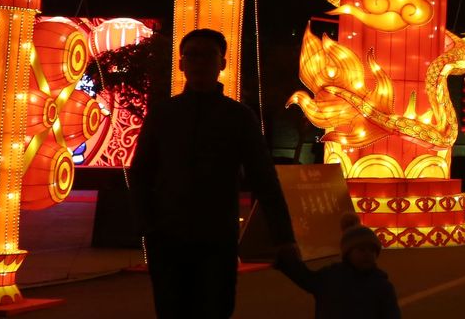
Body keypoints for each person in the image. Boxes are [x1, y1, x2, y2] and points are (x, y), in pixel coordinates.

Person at [131, 28, 297, 319]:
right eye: (191, 55)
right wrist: (149, 227)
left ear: (222, 63)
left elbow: (263, 178)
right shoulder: (163, 114)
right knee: (172, 310)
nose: (199, 62)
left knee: (216, 309)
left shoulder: (238, 116)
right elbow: (141, 173)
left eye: (208, 55)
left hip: (217, 237)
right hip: (168, 237)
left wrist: (283, 237)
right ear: (181, 63)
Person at [275, 213, 400, 318]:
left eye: (372, 250)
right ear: (348, 253)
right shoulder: (331, 276)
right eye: (361, 250)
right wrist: (287, 259)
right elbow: (305, 278)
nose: (368, 254)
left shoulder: (382, 286)